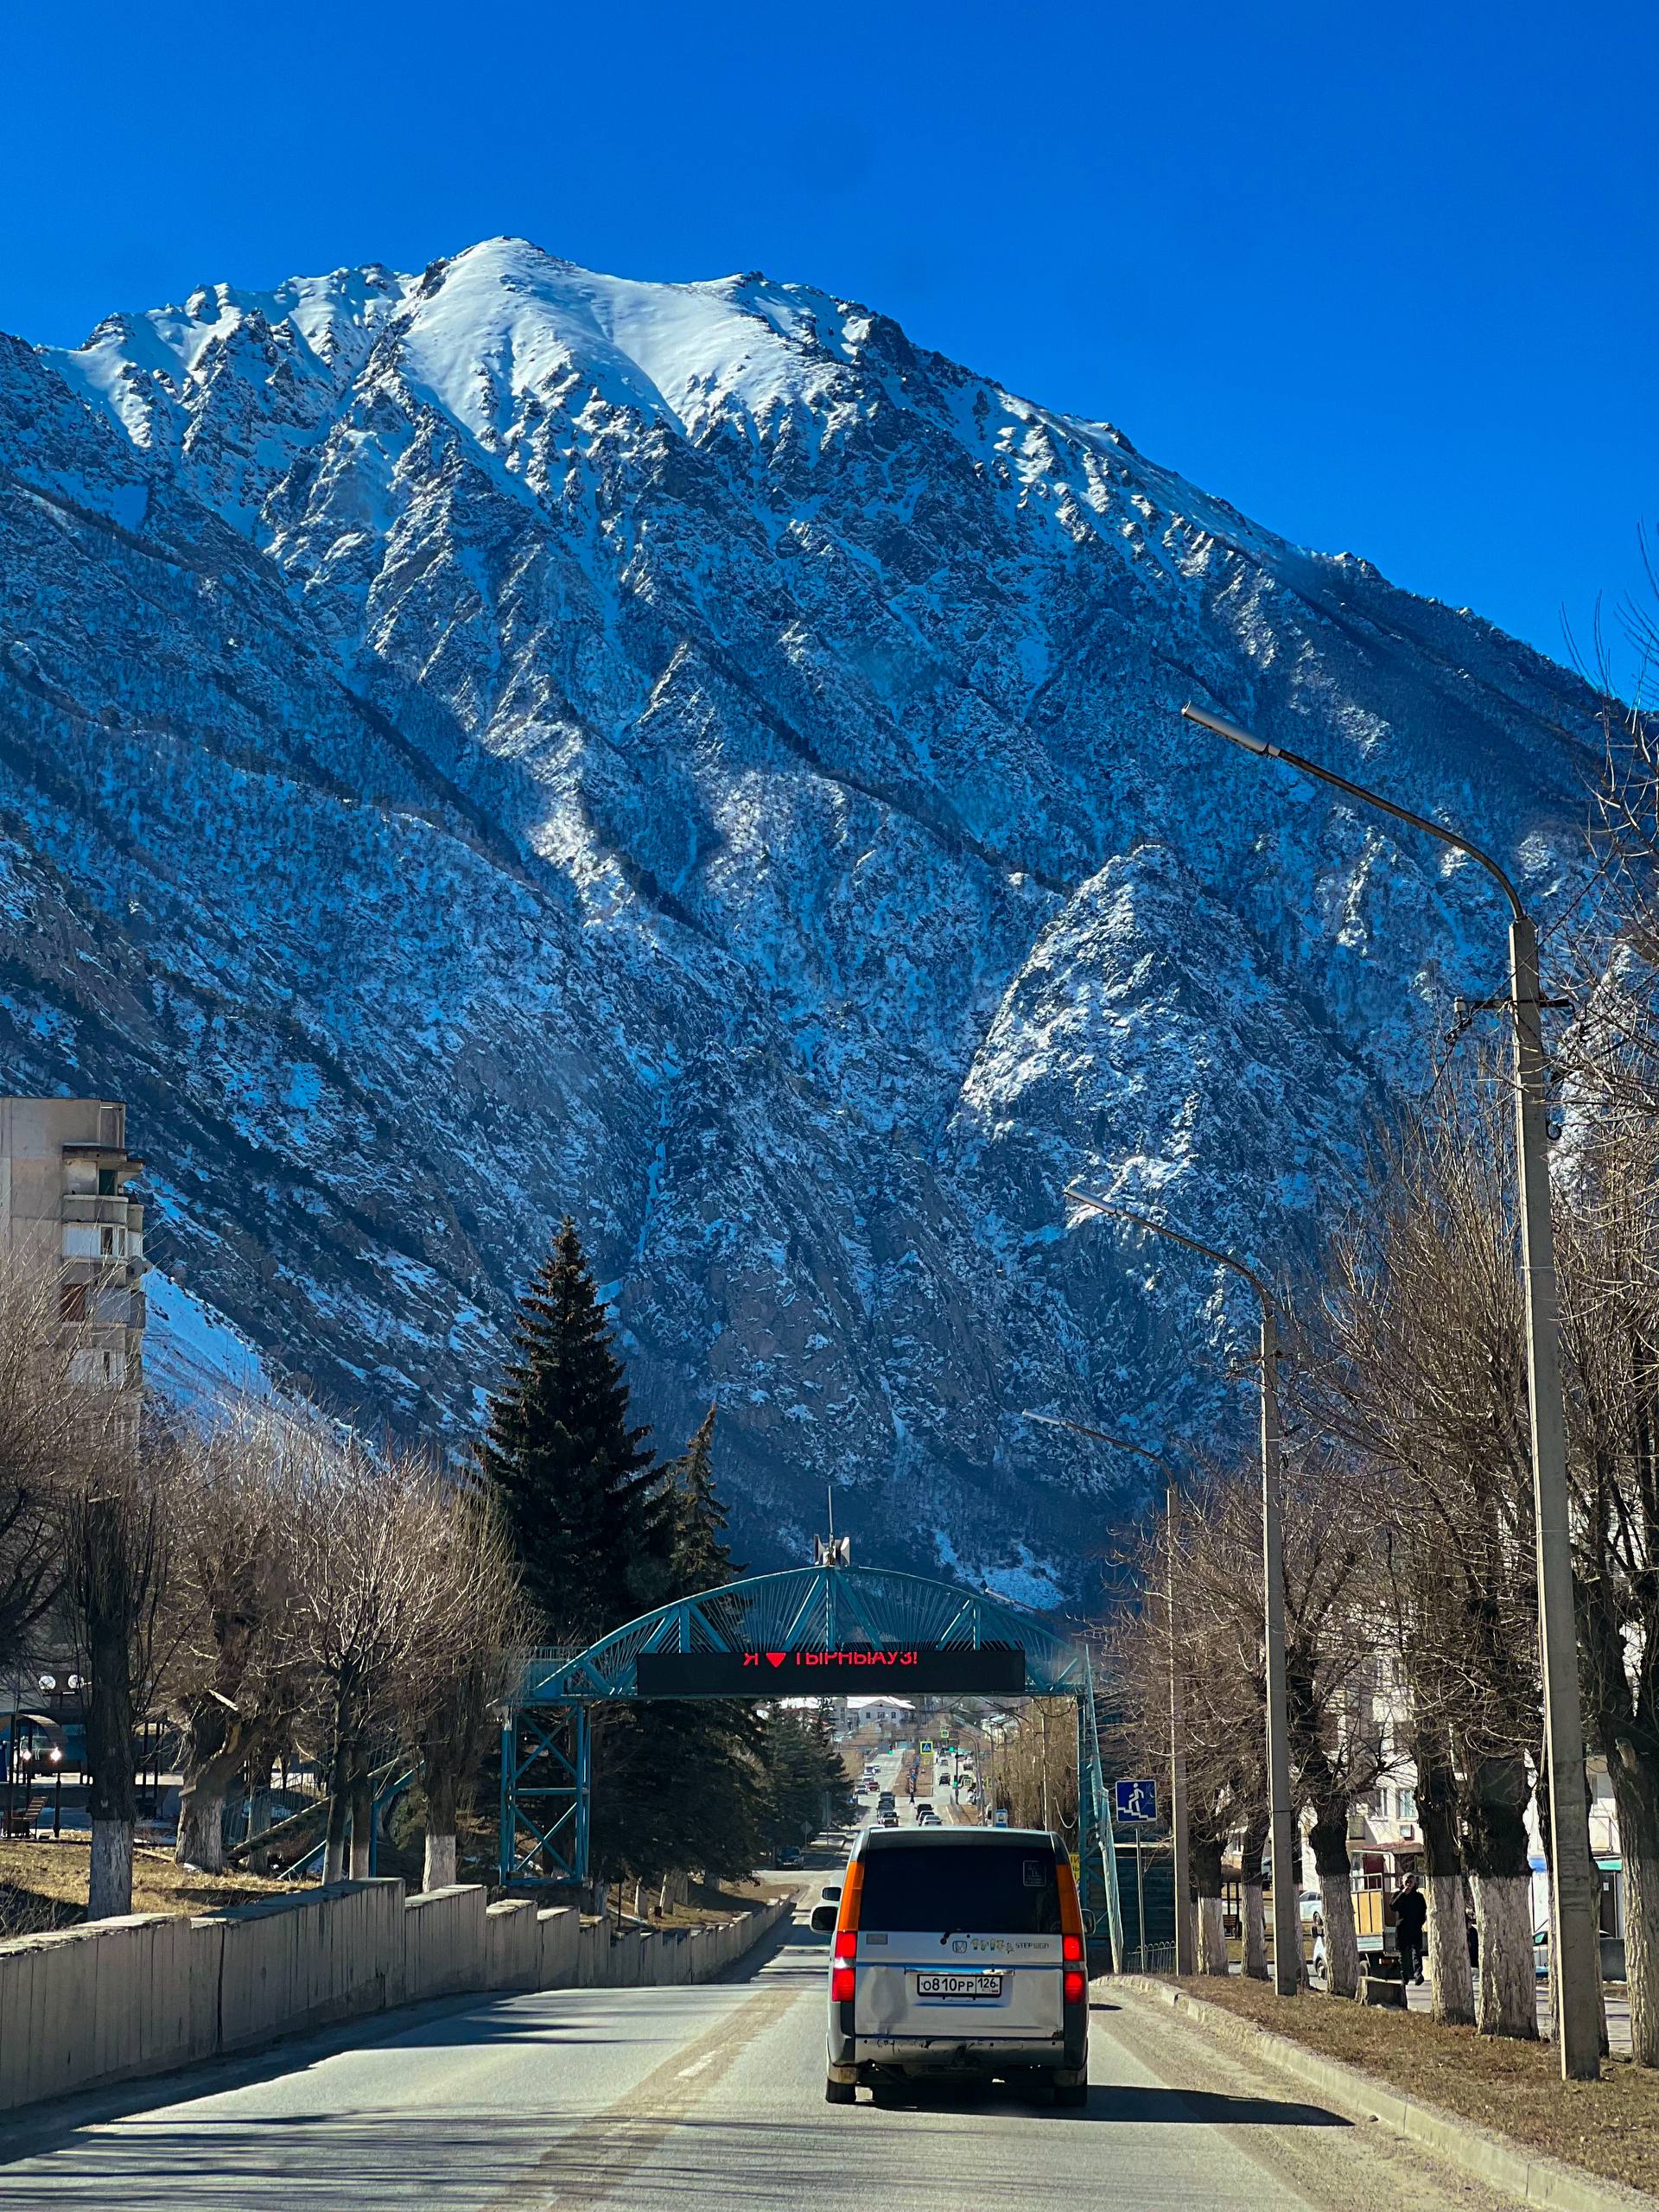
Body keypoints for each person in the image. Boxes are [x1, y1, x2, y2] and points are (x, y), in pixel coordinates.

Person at [1393, 1872, 1428, 1985]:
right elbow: (1393, 1906)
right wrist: (1403, 1894)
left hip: (1415, 1928)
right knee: (1403, 1955)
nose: (1409, 1884)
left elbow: (1423, 1912)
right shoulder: (1398, 1894)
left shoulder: (1419, 1897)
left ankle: (1418, 1975)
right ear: (1402, 1882)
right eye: (1406, 1882)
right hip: (1402, 1929)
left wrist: (1419, 1923)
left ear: (1414, 1883)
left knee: (1416, 1952)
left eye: (1411, 1882)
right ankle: (1404, 1977)